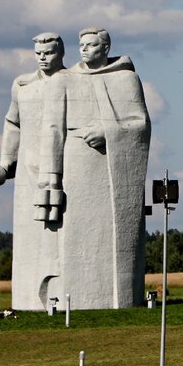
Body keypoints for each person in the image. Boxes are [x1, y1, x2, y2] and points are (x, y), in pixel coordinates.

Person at [40, 27, 151, 309]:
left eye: (91, 45)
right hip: (76, 164)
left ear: (105, 48)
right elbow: (52, 130)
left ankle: (118, 298)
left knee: (113, 234)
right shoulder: (62, 81)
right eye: (81, 45)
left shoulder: (126, 79)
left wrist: (109, 131)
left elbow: (140, 124)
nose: (84, 50)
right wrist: (50, 178)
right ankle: (75, 298)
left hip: (113, 168)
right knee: (76, 232)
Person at [0, 32, 66, 310]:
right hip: (27, 171)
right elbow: (12, 123)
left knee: (58, 236)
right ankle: (28, 300)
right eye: (38, 53)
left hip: (62, 170)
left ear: (61, 53)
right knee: (29, 237)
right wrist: (6, 163)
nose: (43, 58)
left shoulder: (72, 82)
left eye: (49, 52)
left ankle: (58, 295)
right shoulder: (22, 84)